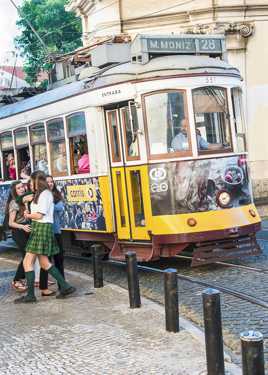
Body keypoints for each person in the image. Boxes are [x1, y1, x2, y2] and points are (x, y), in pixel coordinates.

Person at [14, 171, 76, 304]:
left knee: (27, 262)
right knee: (44, 263)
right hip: (40, 228)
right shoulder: (41, 194)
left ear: (38, 181)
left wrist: (28, 215)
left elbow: (39, 215)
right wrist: (26, 205)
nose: (30, 184)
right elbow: (22, 203)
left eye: (32, 182)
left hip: (41, 228)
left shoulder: (45, 194)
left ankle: (31, 296)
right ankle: (66, 287)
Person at [5, 181, 31, 292]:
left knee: (29, 254)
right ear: (15, 191)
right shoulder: (14, 203)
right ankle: (16, 280)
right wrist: (22, 227)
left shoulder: (25, 200)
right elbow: (11, 223)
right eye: (19, 188)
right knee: (27, 255)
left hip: (26, 229)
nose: (22, 189)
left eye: (22, 187)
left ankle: (24, 278)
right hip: (18, 231)